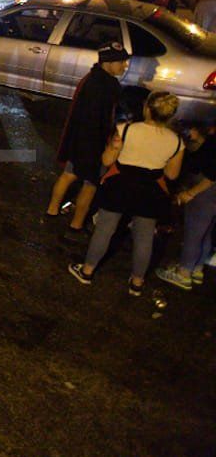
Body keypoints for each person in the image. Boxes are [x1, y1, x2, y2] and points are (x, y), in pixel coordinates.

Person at [69, 92, 184, 296]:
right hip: (150, 190)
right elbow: (172, 174)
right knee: (144, 236)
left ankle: (87, 271)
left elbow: (106, 160)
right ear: (171, 115)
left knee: (105, 229)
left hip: (121, 184)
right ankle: (137, 282)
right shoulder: (176, 142)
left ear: (147, 108)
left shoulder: (126, 129)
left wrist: (115, 149)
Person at [47, 43, 130, 237]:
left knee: (68, 175)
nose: (124, 66)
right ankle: (76, 224)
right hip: (95, 144)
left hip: (77, 140)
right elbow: (104, 120)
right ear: (107, 61)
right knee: (90, 184)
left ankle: (52, 209)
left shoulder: (90, 79)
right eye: (121, 61)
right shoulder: (109, 87)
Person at [156, 125, 216, 290]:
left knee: (194, 232)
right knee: (206, 231)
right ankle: (197, 268)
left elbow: (212, 175)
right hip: (209, 190)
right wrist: (201, 139)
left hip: (205, 190)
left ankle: (184, 273)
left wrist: (191, 193)